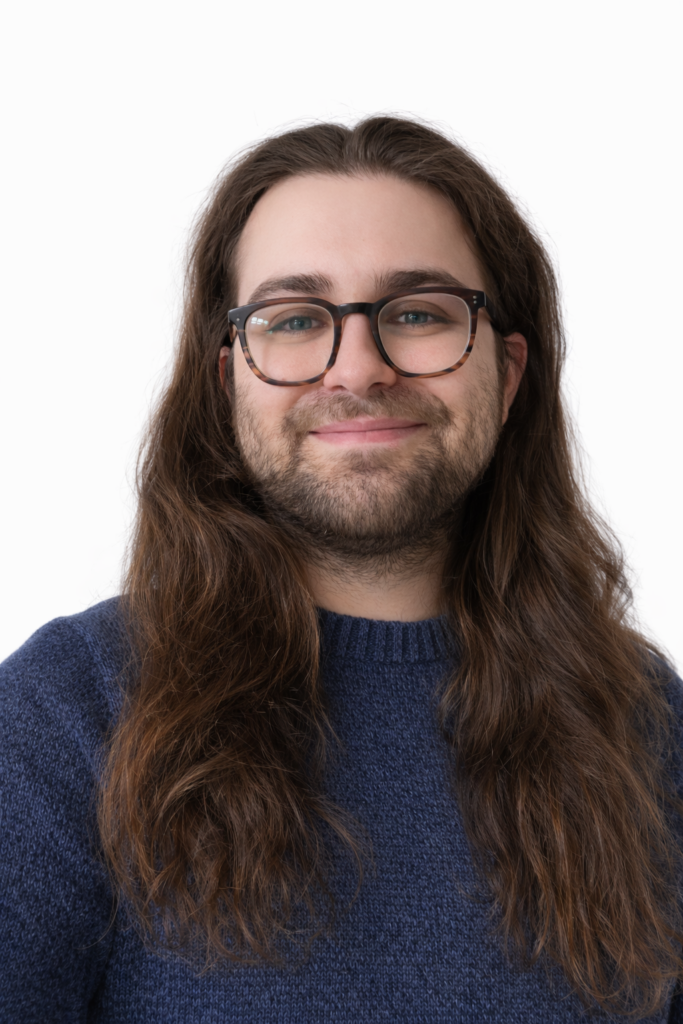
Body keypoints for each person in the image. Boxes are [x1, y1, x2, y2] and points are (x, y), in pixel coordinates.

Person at [0, 116, 681, 1023]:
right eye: (293, 320)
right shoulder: (67, 712)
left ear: (509, 375)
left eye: (418, 313)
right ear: (227, 380)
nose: (356, 370)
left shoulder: (640, 716)